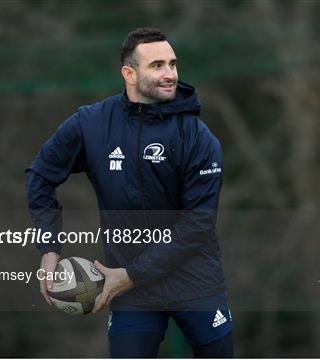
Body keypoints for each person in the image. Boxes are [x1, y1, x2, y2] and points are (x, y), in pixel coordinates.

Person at [26, 27, 234, 358]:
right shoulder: (91, 124)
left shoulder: (197, 137)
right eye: (157, 66)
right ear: (129, 73)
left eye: (172, 64)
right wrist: (49, 248)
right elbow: (40, 176)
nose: (170, 74)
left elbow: (198, 224)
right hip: (131, 293)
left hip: (195, 283)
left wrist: (131, 275)